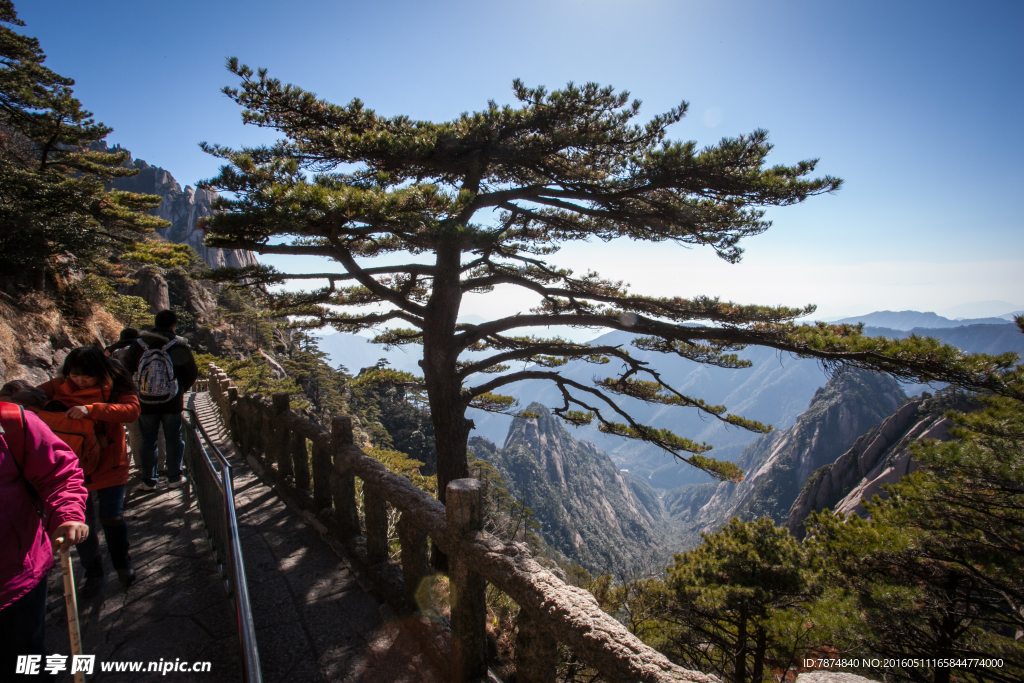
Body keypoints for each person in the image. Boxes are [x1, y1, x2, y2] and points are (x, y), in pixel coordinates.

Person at [37, 347, 141, 596]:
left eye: (87, 376)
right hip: (74, 466)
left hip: (110, 462)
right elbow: (30, 396)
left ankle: (122, 563)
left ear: (99, 372)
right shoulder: (61, 386)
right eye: (74, 375)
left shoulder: (115, 384)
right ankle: (93, 572)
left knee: (112, 517)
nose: (80, 381)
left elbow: (132, 410)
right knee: (82, 524)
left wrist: (92, 409)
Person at [1, 401, 88, 681]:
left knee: (25, 663)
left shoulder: (10, 422)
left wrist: (67, 514)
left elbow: (59, 474)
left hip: (14, 579)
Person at [123, 309, 198, 491]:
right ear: (173, 325)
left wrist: (138, 389)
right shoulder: (177, 345)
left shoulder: (139, 344)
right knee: (174, 439)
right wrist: (179, 390)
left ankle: (148, 481)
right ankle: (174, 478)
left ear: (155, 324)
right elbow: (191, 372)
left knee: (148, 440)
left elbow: (126, 369)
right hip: (171, 402)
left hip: (145, 401)